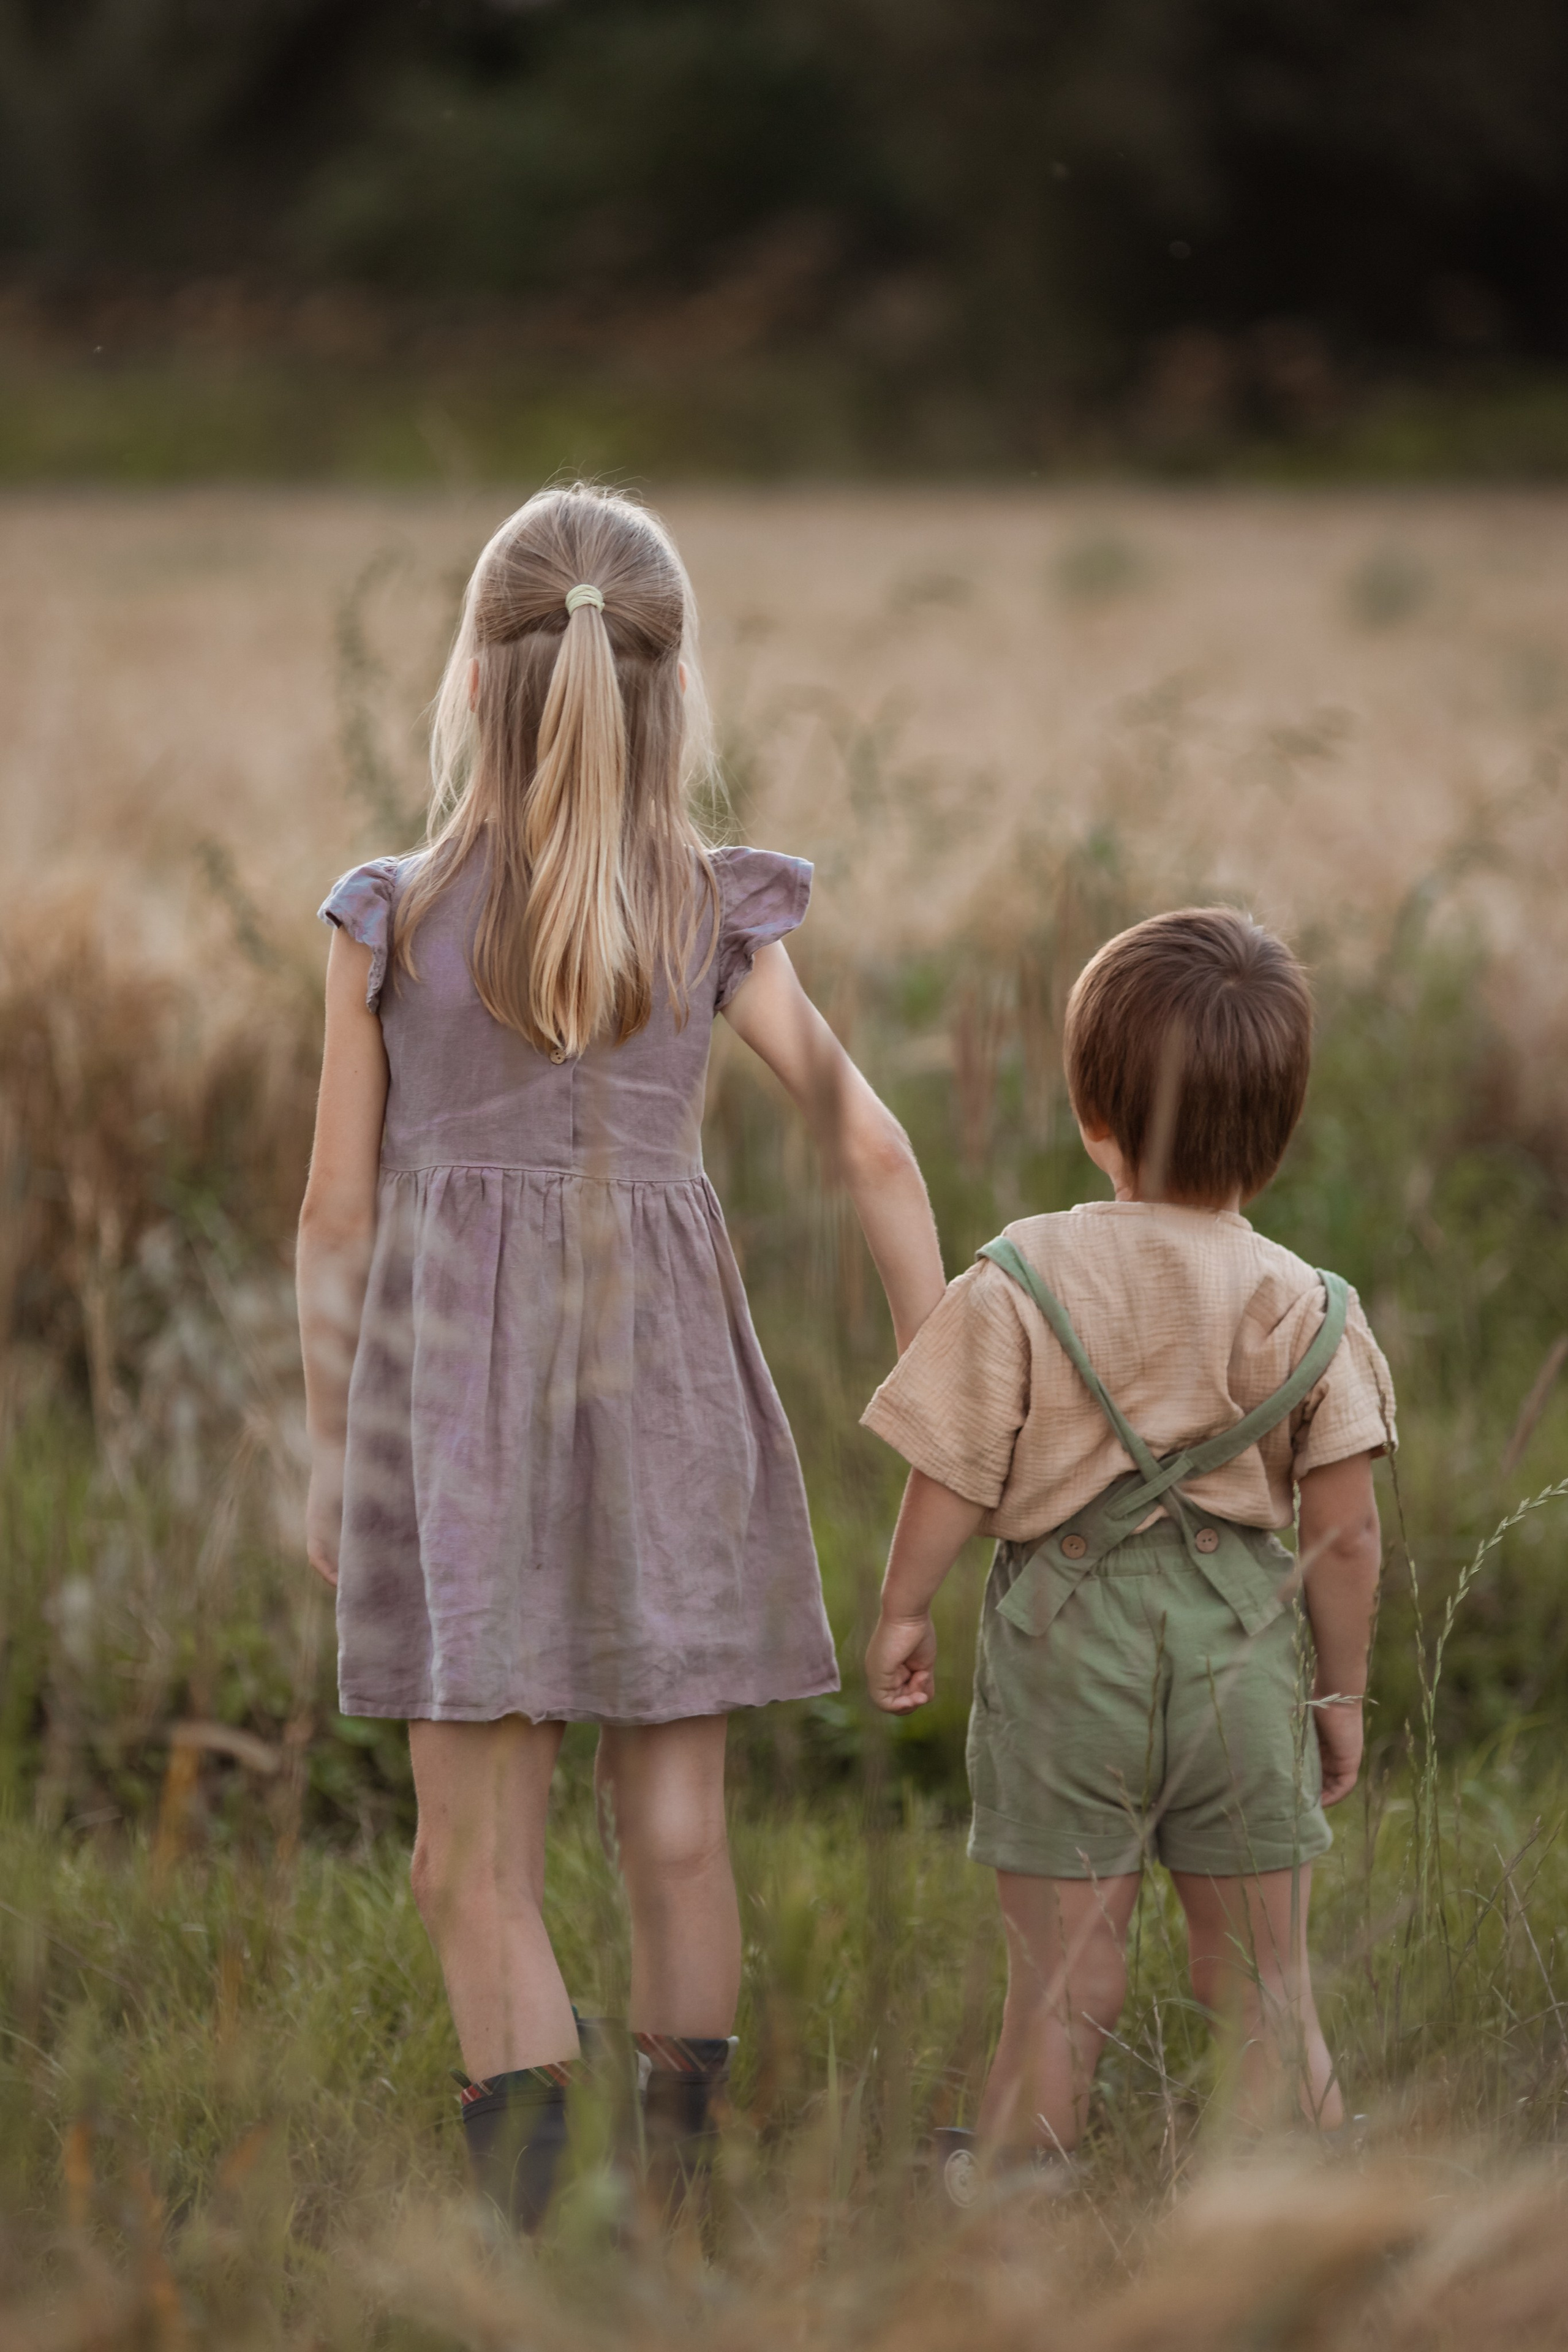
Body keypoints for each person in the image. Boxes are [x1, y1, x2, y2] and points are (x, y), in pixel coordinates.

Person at [296, 484, 944, 2227]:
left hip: (454, 1424)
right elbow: (873, 1151)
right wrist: (941, 1388)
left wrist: (324, 1458)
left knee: (471, 1855)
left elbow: (336, 1227)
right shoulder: (714, 913)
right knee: (675, 1832)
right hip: (668, 1408)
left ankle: (526, 2218)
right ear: (670, 684)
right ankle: (680, 2191)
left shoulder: (387, 922)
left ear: (472, 678)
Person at [862, 907, 1395, 2198]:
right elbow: (1344, 1534)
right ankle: (1294, 2187)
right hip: (1245, 1663)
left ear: (1091, 1115)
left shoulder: (1023, 1273)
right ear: (1272, 1139)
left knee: (1062, 1971)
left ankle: (1017, 2177)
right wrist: (1338, 1694)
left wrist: (901, 1610)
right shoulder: (1309, 1306)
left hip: (1064, 1656)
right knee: (1262, 1974)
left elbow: (950, 1466)